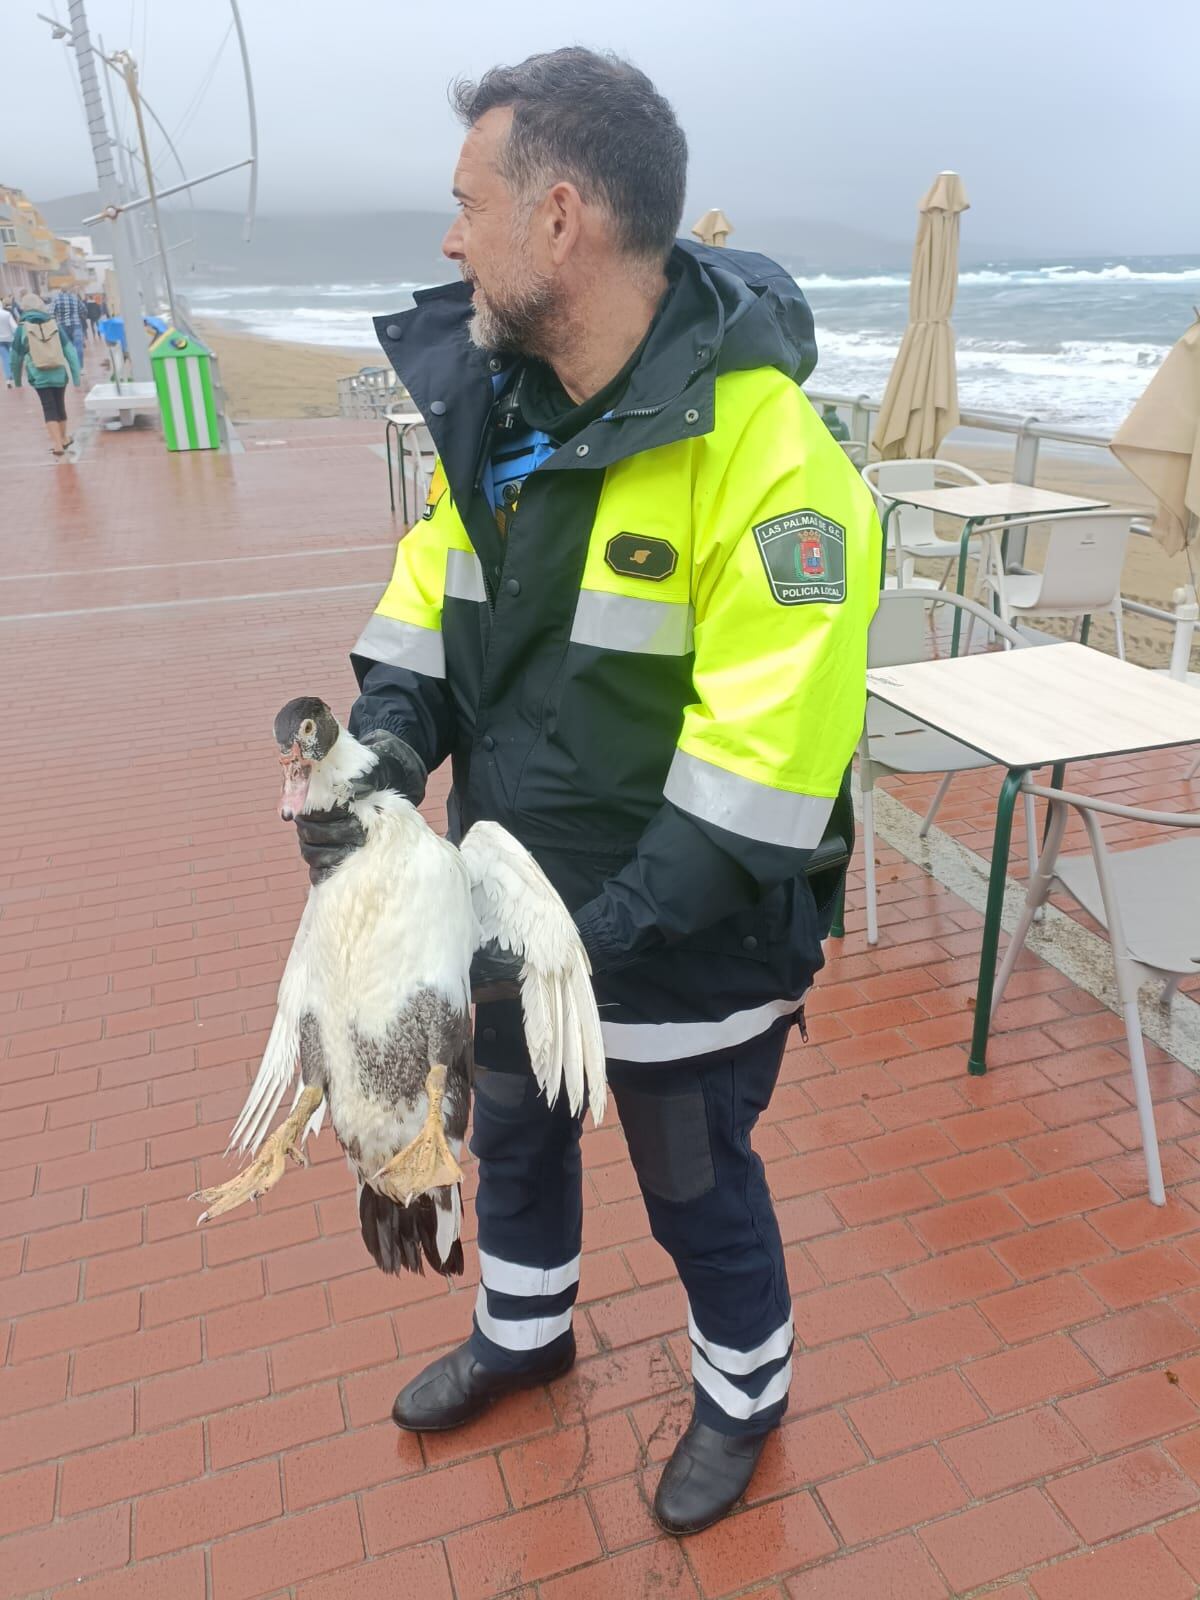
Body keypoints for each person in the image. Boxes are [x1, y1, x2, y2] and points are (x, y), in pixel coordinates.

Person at [295, 47, 880, 1534]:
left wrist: (560, 948)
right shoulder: (501, 414)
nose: (449, 241)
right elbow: (422, 625)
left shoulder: (776, 468)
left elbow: (756, 781)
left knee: (695, 1185)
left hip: (687, 947)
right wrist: (370, 768)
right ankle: (525, 1331)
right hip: (509, 911)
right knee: (519, 1140)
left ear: (559, 218)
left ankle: (745, 1391)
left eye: (466, 204)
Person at [11, 292, 81, 455]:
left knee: (48, 407)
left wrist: (17, 381)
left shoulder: (22, 328)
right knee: (60, 405)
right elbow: (70, 351)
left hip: (39, 375)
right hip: (58, 374)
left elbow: (15, 358)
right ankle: (64, 439)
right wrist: (76, 377)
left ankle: (57, 444)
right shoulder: (54, 324)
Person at [50, 285, 87, 368]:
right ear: (68, 290)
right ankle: (80, 367)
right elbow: (84, 309)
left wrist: (55, 320)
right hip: (76, 325)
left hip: (62, 326)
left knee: (66, 348)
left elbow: (51, 313)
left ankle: (70, 367)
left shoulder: (56, 299)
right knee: (78, 346)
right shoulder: (75, 298)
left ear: (61, 290)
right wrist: (79, 315)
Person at [0, 299, 15, 386]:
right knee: (12, 356)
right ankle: (13, 374)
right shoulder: (7, 314)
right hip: (9, 338)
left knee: (5, 358)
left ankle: (8, 377)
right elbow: (14, 326)